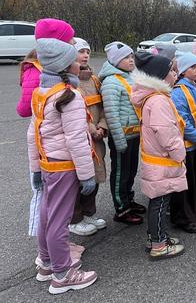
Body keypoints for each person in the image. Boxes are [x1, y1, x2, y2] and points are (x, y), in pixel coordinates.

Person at [27, 38, 97, 294]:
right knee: (60, 219)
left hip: (48, 164)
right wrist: (86, 174)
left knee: (47, 214)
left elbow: (32, 133)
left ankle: (47, 263)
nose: (80, 62)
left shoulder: (41, 93)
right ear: (66, 67)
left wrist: (36, 168)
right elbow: (77, 139)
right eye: (75, 60)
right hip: (64, 166)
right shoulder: (70, 96)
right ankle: (63, 274)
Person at [17, 19, 75, 239]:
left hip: (52, 145)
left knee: (57, 205)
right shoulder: (37, 71)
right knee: (45, 202)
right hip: (46, 148)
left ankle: (56, 247)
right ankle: (45, 255)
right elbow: (25, 109)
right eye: (69, 40)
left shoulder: (51, 68)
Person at [130, 52, 187, 260]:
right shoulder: (158, 101)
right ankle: (159, 245)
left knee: (158, 201)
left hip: (156, 159)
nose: (175, 74)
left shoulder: (154, 98)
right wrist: (179, 153)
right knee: (160, 202)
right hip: (163, 160)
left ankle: (156, 236)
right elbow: (166, 132)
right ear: (161, 76)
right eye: (171, 70)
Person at [99, 42, 145, 225]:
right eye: (126, 57)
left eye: (131, 56)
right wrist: (119, 141)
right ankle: (121, 208)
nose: (131, 59)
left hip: (134, 135)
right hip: (122, 137)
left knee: (131, 170)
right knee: (120, 173)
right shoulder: (111, 82)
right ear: (116, 61)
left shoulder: (129, 77)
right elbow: (111, 114)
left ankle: (129, 199)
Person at [69, 38, 108, 236]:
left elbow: (102, 107)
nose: (85, 55)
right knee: (79, 179)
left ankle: (88, 213)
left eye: (87, 52)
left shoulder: (94, 79)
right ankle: (75, 218)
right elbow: (75, 112)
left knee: (95, 175)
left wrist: (102, 126)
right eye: (80, 51)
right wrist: (92, 129)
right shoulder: (69, 82)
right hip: (82, 137)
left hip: (97, 138)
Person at [170, 51, 196, 234]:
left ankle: (195, 209)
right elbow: (183, 121)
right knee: (185, 183)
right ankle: (183, 217)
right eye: (192, 67)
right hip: (188, 145)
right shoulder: (178, 92)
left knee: (195, 180)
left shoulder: (195, 87)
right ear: (183, 71)